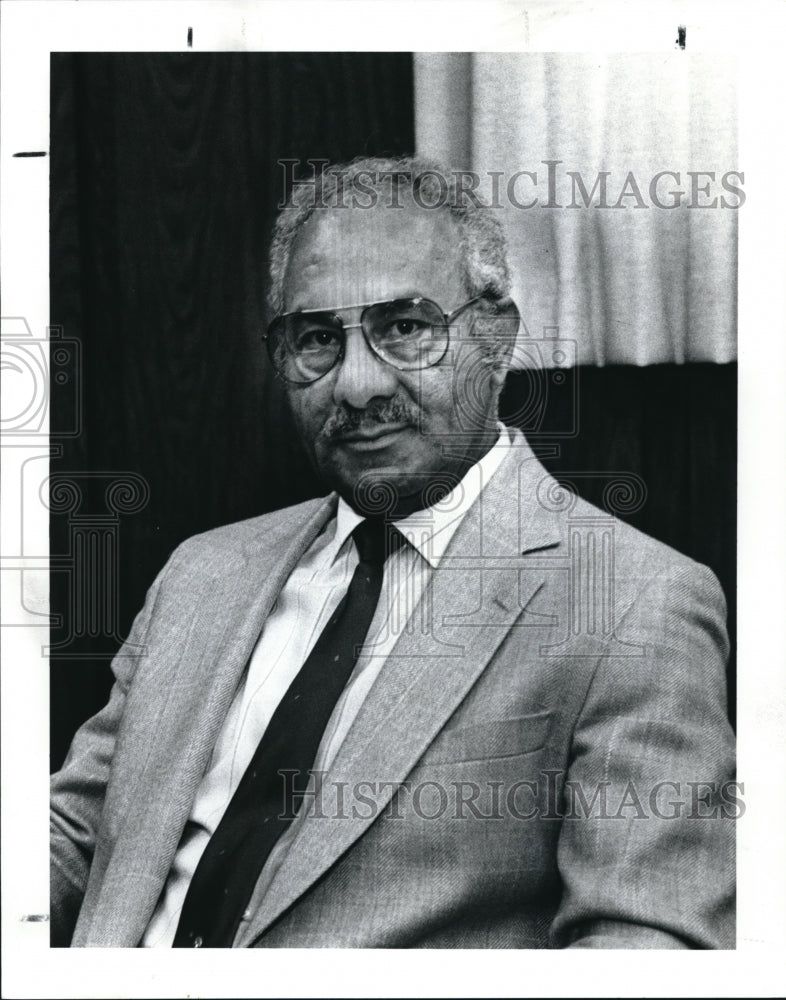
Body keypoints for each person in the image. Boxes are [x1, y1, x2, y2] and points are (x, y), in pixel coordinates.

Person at [50, 156, 735, 949]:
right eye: (316, 340)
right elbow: (76, 832)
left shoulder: (634, 603)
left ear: (497, 337)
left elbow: (647, 948)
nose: (357, 384)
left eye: (405, 327)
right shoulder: (201, 573)